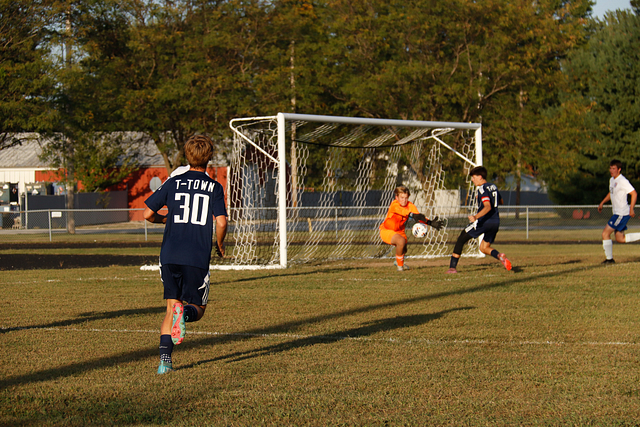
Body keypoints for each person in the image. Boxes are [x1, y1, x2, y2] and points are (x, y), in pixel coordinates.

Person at [144, 134, 227, 374]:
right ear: (209, 158)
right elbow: (221, 222)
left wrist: (165, 220)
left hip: (169, 254)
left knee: (171, 307)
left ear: (187, 156)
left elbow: (147, 213)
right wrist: (220, 244)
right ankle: (186, 315)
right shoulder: (214, 187)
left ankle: (164, 363)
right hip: (196, 255)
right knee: (197, 308)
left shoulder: (173, 182)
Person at [446, 166, 511, 274]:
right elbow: (501, 201)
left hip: (484, 221)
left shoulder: (482, 189)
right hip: (495, 222)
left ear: (480, 177)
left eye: (473, 177)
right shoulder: (493, 186)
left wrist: (476, 216)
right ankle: (499, 256)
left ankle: (452, 267)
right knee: (484, 248)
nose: (472, 180)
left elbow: (487, 206)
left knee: (461, 238)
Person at [379, 185, 444, 271]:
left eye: (406, 198)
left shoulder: (410, 206)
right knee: (401, 241)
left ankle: (398, 261)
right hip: (386, 230)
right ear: (397, 197)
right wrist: (412, 215)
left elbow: (419, 217)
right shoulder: (394, 204)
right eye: (402, 198)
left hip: (400, 231)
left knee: (404, 249)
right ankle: (400, 267)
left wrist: (430, 223)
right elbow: (402, 211)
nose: (404, 200)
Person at [597, 159, 639, 264]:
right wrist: (602, 202)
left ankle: (609, 259)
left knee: (605, 233)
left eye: (614, 168)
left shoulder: (622, 181)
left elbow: (634, 193)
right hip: (617, 213)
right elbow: (611, 193)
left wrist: (631, 209)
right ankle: (609, 259)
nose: (611, 170)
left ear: (619, 169)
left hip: (621, 213)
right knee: (620, 239)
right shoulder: (612, 180)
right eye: (610, 168)